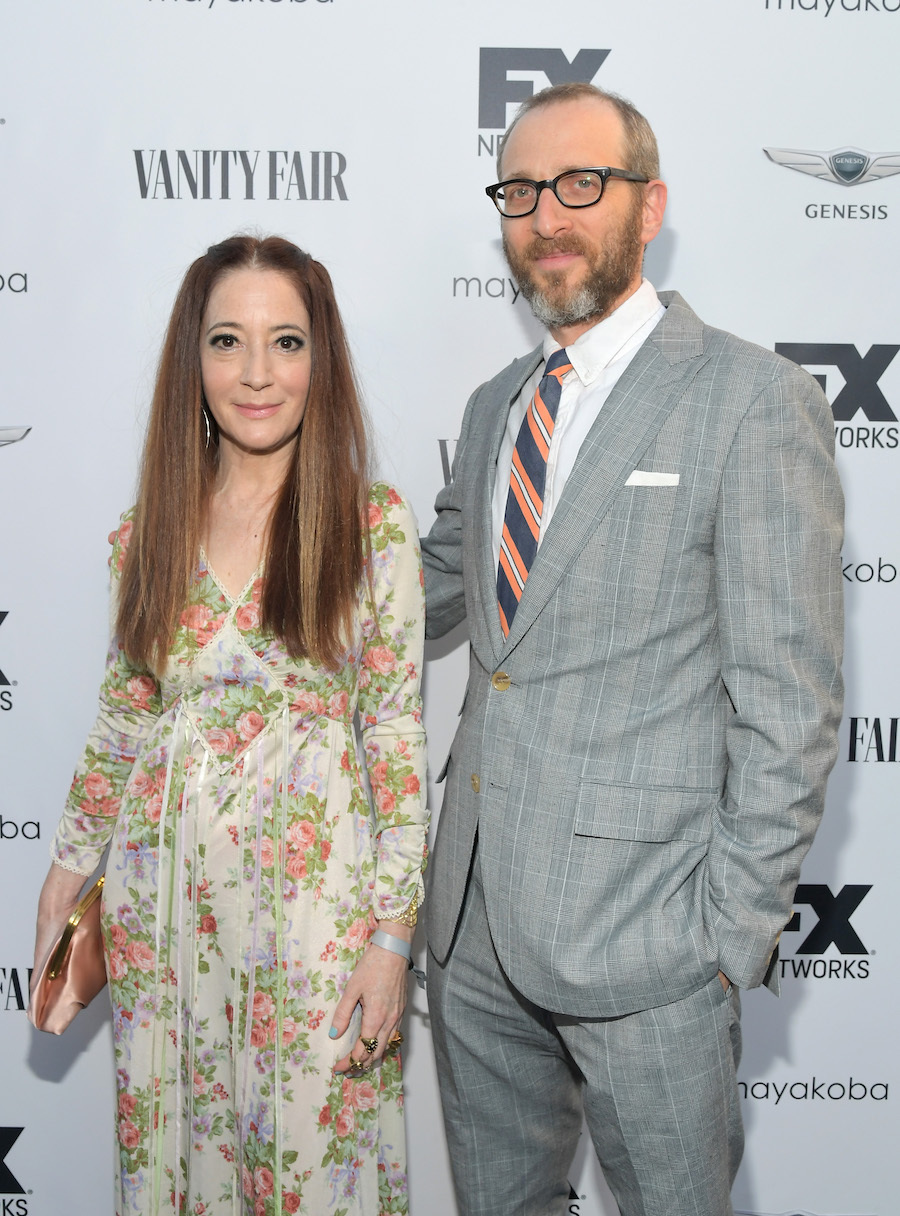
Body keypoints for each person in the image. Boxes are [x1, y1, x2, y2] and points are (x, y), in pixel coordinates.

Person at [421, 84, 844, 1216]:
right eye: (521, 191)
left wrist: (726, 939)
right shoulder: (495, 406)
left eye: (580, 186)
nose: (546, 216)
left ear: (648, 205)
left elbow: (789, 703)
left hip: (654, 945)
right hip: (470, 930)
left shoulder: (756, 401)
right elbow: (422, 598)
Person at [29, 235, 428, 1216]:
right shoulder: (146, 533)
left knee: (312, 1173)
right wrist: (65, 879)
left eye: (286, 342)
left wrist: (390, 939)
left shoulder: (372, 525)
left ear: (320, 360)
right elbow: (121, 726)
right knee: (176, 1165)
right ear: (191, 360)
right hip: (163, 914)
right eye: (227, 341)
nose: (257, 373)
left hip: (318, 923)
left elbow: (397, 741)